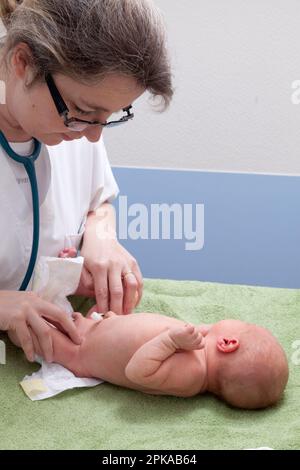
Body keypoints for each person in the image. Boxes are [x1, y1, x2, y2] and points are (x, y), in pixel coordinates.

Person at [0, 0, 173, 363]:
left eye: (108, 117)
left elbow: (97, 203)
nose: (93, 136)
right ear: (22, 62)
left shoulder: (70, 129)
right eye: (82, 112)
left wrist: (102, 239)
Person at [9, 311, 289, 409]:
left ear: (228, 343)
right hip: (97, 329)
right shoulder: (198, 346)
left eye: (242, 324)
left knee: (26, 329)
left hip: (80, 353)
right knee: (42, 305)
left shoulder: (192, 375)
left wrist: (170, 340)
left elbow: (137, 371)